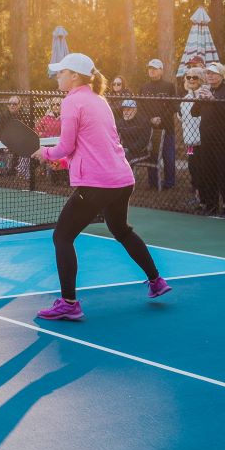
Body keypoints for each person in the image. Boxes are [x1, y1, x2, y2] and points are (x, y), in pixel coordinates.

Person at [30, 53, 170, 321]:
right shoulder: (99, 100)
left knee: (62, 237)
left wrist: (46, 153)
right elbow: (94, 143)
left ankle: (69, 303)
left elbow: (66, 145)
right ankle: (156, 281)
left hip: (97, 183)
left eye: (61, 73)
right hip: (122, 179)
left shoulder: (72, 101)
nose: (57, 77)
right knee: (121, 230)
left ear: (74, 76)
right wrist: (65, 161)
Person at [190, 62, 225, 218]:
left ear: (222, 76)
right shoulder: (206, 90)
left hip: (223, 139)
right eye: (208, 73)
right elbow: (194, 113)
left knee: (224, 173)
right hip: (206, 139)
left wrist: (212, 100)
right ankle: (211, 205)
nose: (209, 76)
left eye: (213, 73)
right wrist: (199, 98)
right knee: (208, 172)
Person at [138, 58, 177, 189]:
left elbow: (173, 105)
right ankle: (153, 182)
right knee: (152, 155)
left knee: (169, 156)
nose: (152, 71)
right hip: (150, 128)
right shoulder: (143, 87)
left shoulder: (169, 86)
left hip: (167, 128)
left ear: (161, 71)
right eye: (150, 69)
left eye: (155, 69)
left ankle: (169, 183)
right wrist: (150, 119)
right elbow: (140, 107)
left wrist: (161, 118)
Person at [179, 67, 207, 209]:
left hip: (202, 142)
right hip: (190, 143)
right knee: (193, 168)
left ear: (201, 79)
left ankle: (205, 199)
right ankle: (197, 196)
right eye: (188, 77)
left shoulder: (203, 97)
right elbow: (182, 118)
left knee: (203, 169)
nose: (191, 80)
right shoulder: (185, 99)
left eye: (194, 77)